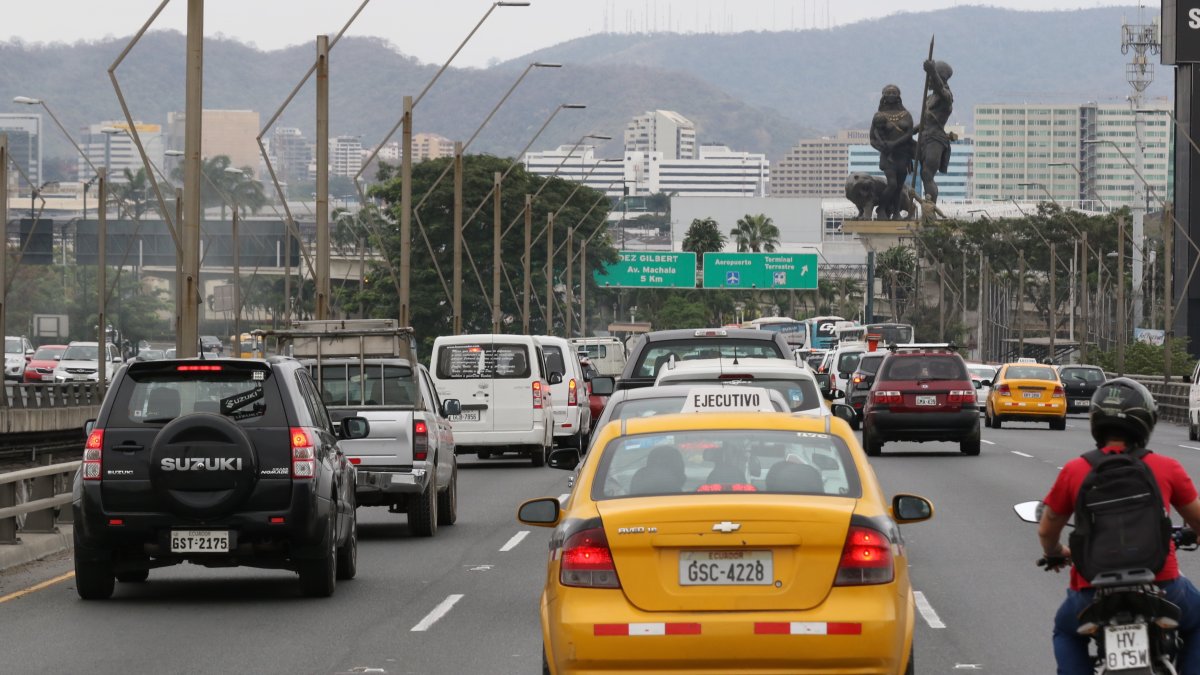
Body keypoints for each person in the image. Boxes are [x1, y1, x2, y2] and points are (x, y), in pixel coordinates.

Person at [1038, 377, 1200, 673]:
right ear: (1147, 422)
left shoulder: (1075, 470)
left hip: (1092, 590)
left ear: (1096, 420)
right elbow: (1198, 519)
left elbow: (1047, 530)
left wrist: (1054, 552)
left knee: (1065, 632)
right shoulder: (1167, 467)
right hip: (1162, 584)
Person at [869, 84, 916, 220]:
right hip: (888, 157)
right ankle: (882, 208)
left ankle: (896, 212)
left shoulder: (906, 115)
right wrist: (882, 147)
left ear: (898, 96)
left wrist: (894, 144)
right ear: (883, 96)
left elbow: (909, 134)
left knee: (900, 187)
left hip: (903, 155)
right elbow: (872, 139)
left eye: (893, 93)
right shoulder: (878, 116)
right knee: (892, 184)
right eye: (888, 93)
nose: (891, 95)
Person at [914, 59, 955, 205]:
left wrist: (932, 71)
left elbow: (941, 90)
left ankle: (930, 210)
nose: (929, 81)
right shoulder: (929, 98)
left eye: (931, 78)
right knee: (922, 173)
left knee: (927, 174)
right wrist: (908, 132)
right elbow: (924, 122)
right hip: (924, 138)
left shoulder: (946, 97)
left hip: (936, 139)